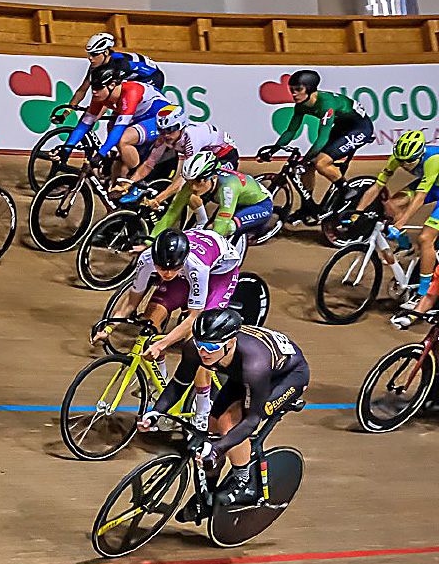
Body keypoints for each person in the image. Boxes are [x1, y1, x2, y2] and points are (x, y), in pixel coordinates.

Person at [144, 308, 308, 511]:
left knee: (228, 423)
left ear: (230, 343)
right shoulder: (196, 348)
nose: (203, 352)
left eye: (211, 347)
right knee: (213, 425)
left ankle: (245, 484)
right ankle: (210, 489)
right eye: (200, 344)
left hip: (286, 377)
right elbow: (179, 384)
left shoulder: (254, 365)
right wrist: (156, 412)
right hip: (241, 374)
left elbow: (251, 420)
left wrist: (217, 448)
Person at [95, 225, 244, 359]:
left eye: (173, 268)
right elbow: (131, 301)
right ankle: (158, 380)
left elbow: (194, 317)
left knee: (200, 340)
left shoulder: (197, 266)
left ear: (183, 261)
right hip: (186, 271)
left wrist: (161, 344)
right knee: (151, 320)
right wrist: (108, 328)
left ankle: (201, 389)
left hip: (220, 274)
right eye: (161, 268)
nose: (167, 274)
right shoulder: (146, 259)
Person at [259, 69, 375, 220]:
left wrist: (309, 158)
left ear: (310, 89)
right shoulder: (301, 105)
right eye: (291, 90)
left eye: (298, 90)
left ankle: (346, 189)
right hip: (341, 127)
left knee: (321, 163)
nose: (294, 94)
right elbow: (291, 131)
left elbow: (322, 138)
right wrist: (273, 150)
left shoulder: (326, 104)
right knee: (307, 167)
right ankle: (307, 207)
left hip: (359, 128)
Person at [351, 131, 439, 328]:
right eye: (402, 161)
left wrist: (401, 223)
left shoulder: (433, 160)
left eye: (410, 162)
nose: (405, 166)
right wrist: (357, 212)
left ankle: (422, 293)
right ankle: (404, 246)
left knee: (425, 238)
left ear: (420, 154)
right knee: (391, 204)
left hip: (432, 184)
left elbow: (420, 197)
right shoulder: (397, 157)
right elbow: (377, 186)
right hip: (433, 184)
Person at [146, 152, 275, 258]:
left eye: (198, 182)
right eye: (190, 182)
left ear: (212, 177)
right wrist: (149, 241)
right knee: (205, 221)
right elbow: (172, 213)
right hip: (238, 198)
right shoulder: (192, 184)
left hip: (260, 205)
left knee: (224, 227)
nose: (194, 187)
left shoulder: (228, 188)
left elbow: (220, 227)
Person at [64, 62, 170, 176]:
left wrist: (101, 154)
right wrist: (66, 149)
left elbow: (119, 129)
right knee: (119, 154)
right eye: (93, 88)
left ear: (111, 85)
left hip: (160, 118)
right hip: (140, 117)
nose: (94, 92)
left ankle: (136, 178)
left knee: (122, 139)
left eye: (99, 88)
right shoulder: (100, 95)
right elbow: (85, 124)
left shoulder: (130, 92)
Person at [132, 106, 239, 209]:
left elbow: (185, 177)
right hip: (206, 155)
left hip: (225, 155)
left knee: (205, 189)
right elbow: (149, 164)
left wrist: (159, 199)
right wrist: (128, 183)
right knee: (185, 187)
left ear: (181, 127)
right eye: (162, 130)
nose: (166, 135)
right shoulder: (165, 138)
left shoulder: (191, 139)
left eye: (170, 129)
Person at [70, 32, 165, 106]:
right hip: (134, 78)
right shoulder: (96, 65)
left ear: (106, 52)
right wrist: (67, 112)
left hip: (152, 77)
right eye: (89, 54)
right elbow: (82, 90)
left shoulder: (120, 64)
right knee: (111, 121)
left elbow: (109, 96)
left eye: (94, 54)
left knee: (125, 107)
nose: (90, 58)